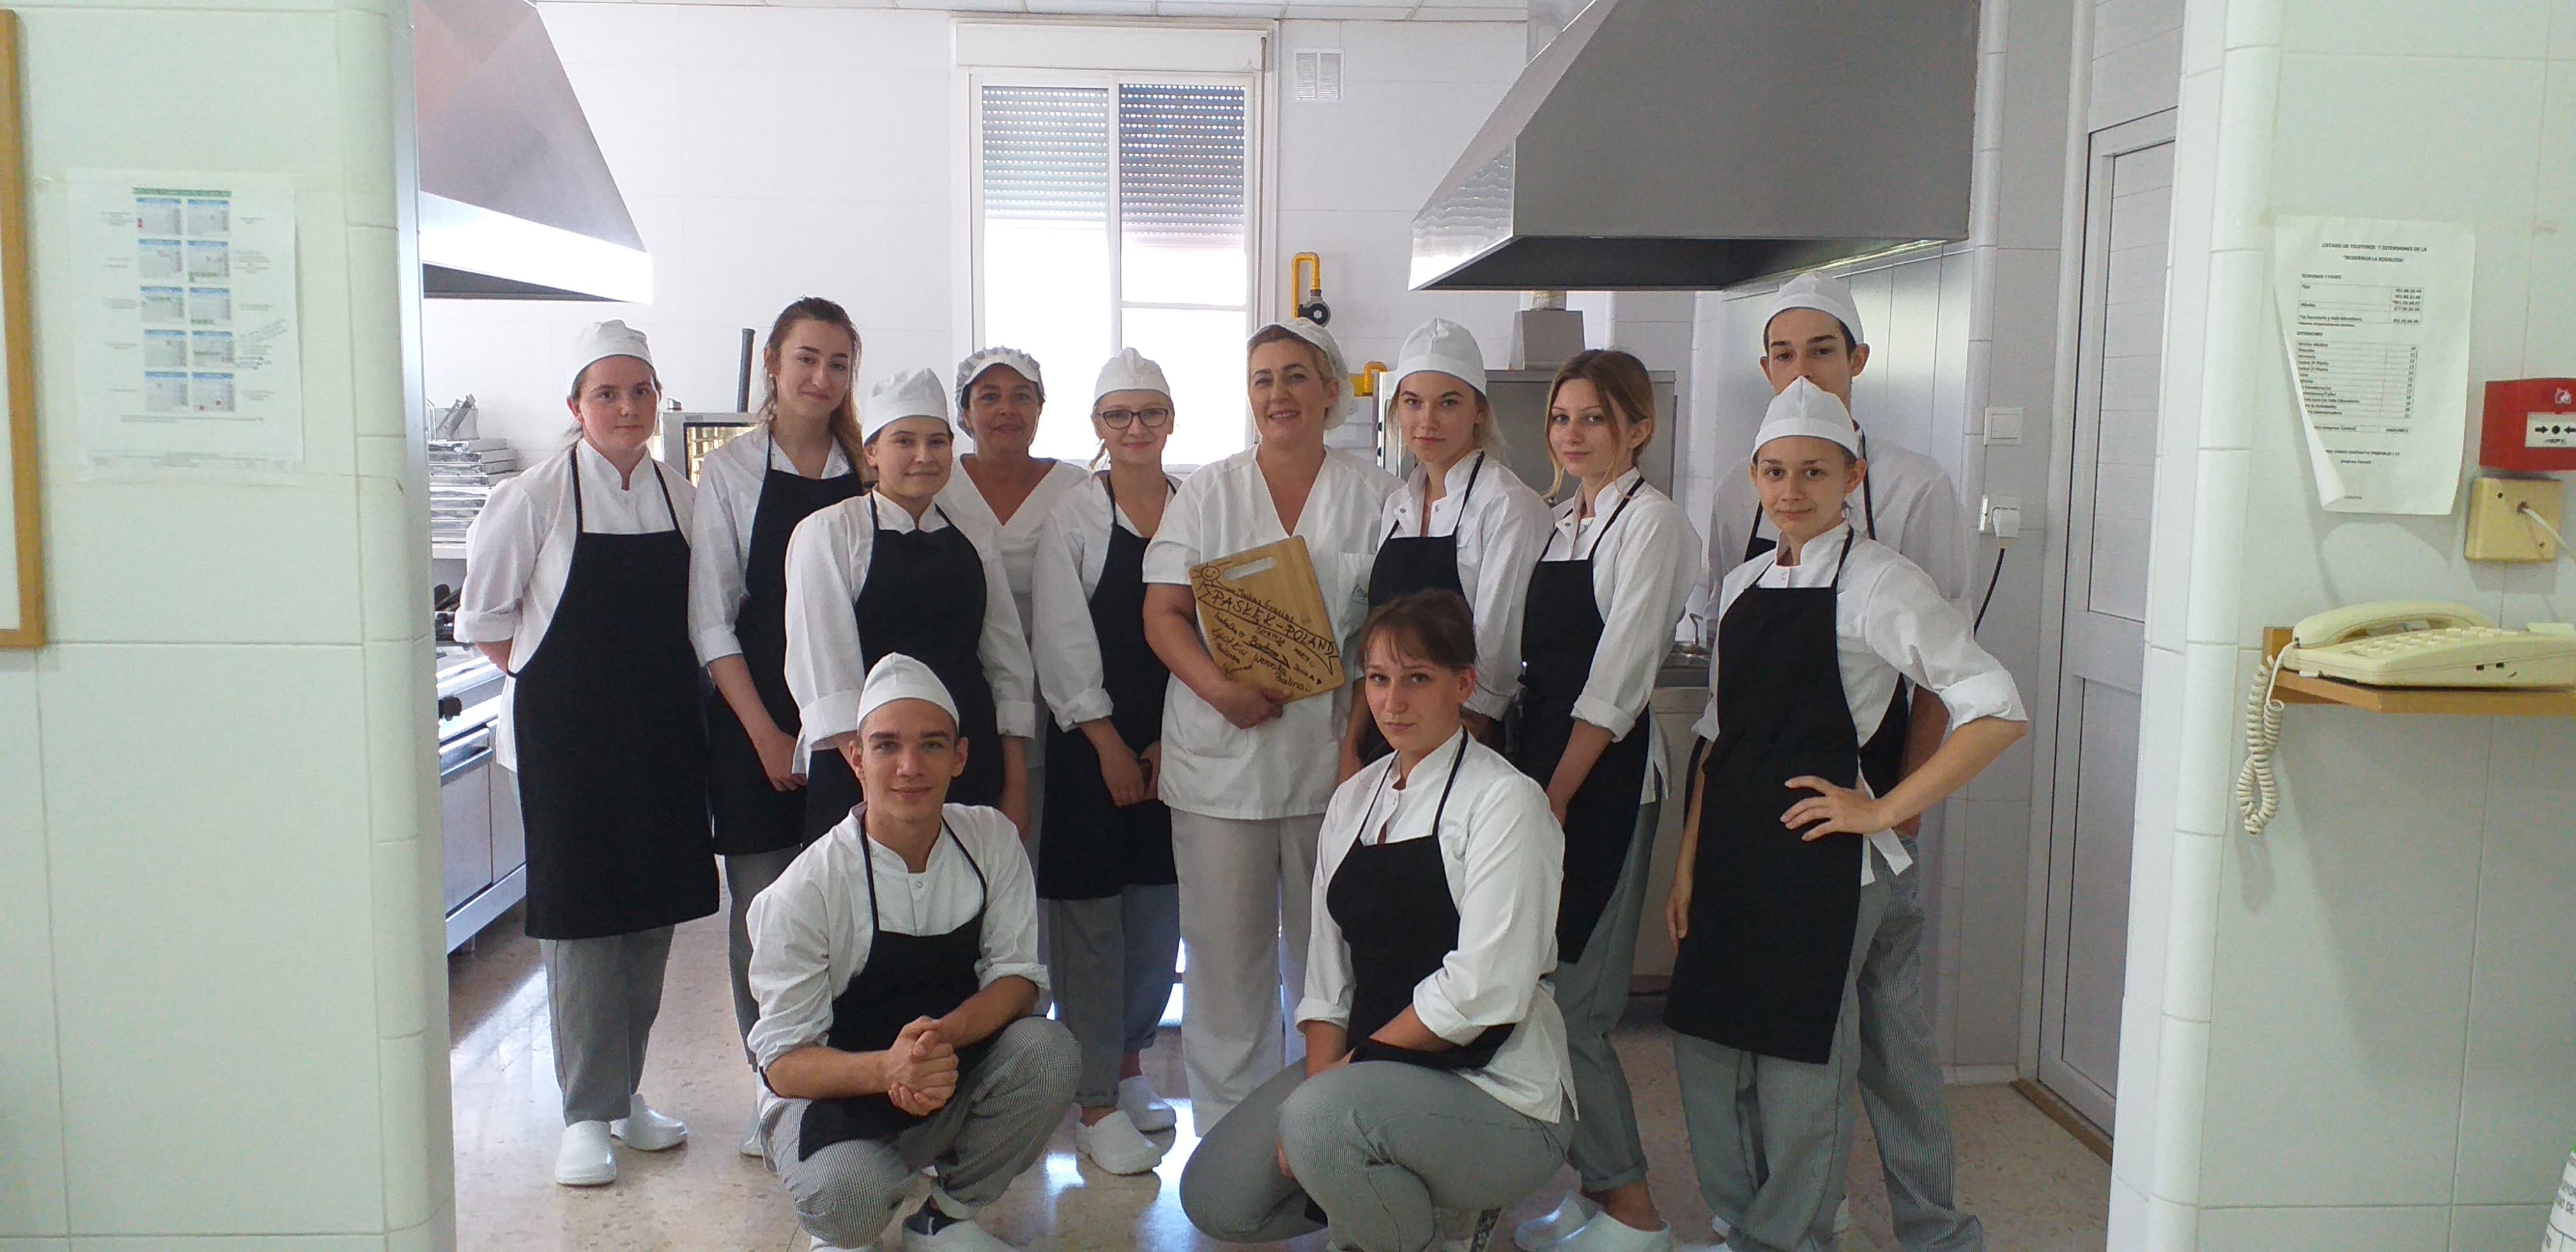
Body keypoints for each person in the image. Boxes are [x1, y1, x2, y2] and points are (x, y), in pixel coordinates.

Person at [1663, 381, 2026, 1252]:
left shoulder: (1881, 582)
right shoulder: (1743, 583)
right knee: (1708, 1048)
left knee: (1802, 1064)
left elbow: (1997, 706)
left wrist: (1886, 808)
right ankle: (1748, 1221)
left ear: (1852, 477)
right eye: (1775, 472)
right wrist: (1687, 864)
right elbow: (1718, 739)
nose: (1791, 491)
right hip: (1733, 851)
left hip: (1823, 860)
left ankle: (1793, 1235)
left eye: (1814, 472)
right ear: (1754, 477)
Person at [1181, 590, 1571, 1252]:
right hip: (1370, 1069)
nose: (1393, 703)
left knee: (1319, 1124)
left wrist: (1335, 1093)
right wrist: (1324, 1085)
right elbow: (1328, 977)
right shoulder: (1354, 799)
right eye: (1380, 679)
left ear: (1464, 685)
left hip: (1496, 1088)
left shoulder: (1506, 800)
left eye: (1417, 679)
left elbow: (1484, 988)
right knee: (1217, 1198)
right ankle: (1395, 1201)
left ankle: (1434, 1226)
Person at [456, 319, 716, 1187]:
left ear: (657, 400)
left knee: (651, 915)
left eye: (640, 391)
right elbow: (487, 623)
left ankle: (623, 1095)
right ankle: (582, 1115)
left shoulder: (683, 497)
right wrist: (567, 688)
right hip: (569, 738)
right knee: (580, 921)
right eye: (607, 393)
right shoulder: (531, 497)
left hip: (665, 733)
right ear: (576, 405)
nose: (626, 407)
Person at [1141, 318, 1399, 1130]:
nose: (1278, 393)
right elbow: (1163, 613)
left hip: (1334, 765)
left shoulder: (1378, 496)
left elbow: (1389, 635)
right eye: (1263, 379)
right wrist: (1221, 690)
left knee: (1330, 957)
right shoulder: (1208, 492)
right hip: (1221, 762)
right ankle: (1230, 1138)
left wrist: (1357, 746)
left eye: (1295, 376)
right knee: (1224, 961)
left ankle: (1325, 1128)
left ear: (1331, 392)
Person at [747, 654, 1079, 1252]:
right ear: (856, 758)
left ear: (960, 758)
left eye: (931, 745)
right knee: (846, 1198)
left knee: (1049, 1052)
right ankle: (854, 1205)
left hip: (944, 1076)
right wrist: (889, 1070)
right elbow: (784, 1066)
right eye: (886, 746)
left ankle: (945, 1218)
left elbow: (1017, 981)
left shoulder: (991, 840)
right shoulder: (805, 890)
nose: (910, 767)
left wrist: (937, 1043)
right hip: (830, 1100)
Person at [1510, 349, 1702, 1252]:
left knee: (1578, 1008)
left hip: (1604, 781)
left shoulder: (1653, 525)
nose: (1573, 434)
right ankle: (1595, 1188)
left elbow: (1617, 682)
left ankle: (1635, 1210)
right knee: (1544, 994)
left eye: (1594, 417)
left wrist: (1553, 795)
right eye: (1561, 418)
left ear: (1639, 427)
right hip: (1544, 773)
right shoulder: (1561, 526)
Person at [689, 297, 871, 1157]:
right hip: (754, 720)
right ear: (773, 363)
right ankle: (773, 1090)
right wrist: (766, 732)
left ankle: (845, 1080)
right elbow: (712, 620)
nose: (822, 378)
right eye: (807, 359)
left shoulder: (866, 468)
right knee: (764, 914)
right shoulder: (730, 473)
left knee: (849, 907)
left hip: (855, 728)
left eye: (838, 364)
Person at [1027, 349, 1186, 1173]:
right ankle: (1091, 1101)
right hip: (1091, 745)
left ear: (1171, 420)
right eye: (1118, 415)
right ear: (1097, 425)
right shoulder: (1076, 516)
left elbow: (1215, 626)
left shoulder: (1198, 508)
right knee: (1091, 924)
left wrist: (1175, 739)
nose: (1135, 428)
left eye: (1149, 413)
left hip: (1182, 745)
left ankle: (1127, 1067)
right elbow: (1061, 637)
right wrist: (1110, 743)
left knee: (1158, 918)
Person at [784, 367, 1037, 843]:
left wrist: (1017, 782)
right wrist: (880, 784)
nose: (924, 456)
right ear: (871, 453)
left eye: (937, 442)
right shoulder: (829, 533)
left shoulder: (975, 534)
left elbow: (1007, 664)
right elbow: (826, 674)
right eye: (904, 441)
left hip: (965, 757)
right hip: (864, 765)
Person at [1340, 317, 1548, 774]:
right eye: (1413, 403)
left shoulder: (1507, 505)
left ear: (1479, 412)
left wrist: (1446, 755)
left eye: (1448, 403)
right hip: (1388, 731)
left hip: (1461, 739)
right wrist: (1353, 746)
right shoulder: (1398, 505)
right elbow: (1375, 642)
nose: (1427, 422)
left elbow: (1497, 650)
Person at [936, 347, 1092, 653]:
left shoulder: (1073, 488)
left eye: (1021, 397)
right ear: (965, 413)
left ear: (1039, 410)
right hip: (957, 663)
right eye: (989, 397)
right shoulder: (939, 485)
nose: (1007, 409)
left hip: (1057, 667)